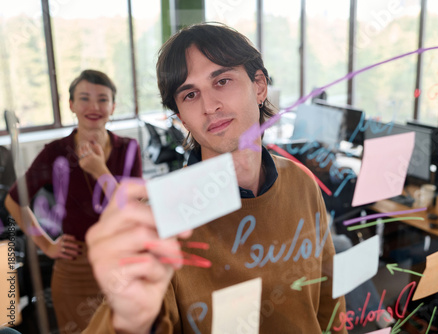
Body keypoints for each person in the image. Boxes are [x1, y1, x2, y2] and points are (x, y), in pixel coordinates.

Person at [83, 23, 347, 333]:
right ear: (182, 118)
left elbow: (330, 301)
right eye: (190, 94)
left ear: (259, 86)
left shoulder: (301, 184)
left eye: (222, 81)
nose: (209, 107)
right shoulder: (162, 216)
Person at [5, 70, 142, 333]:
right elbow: (14, 201)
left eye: (103, 99)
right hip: (75, 269)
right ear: (71, 105)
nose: (93, 107)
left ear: (113, 107)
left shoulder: (128, 149)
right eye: (84, 98)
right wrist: (46, 244)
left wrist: (100, 171)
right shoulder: (55, 152)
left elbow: (133, 210)